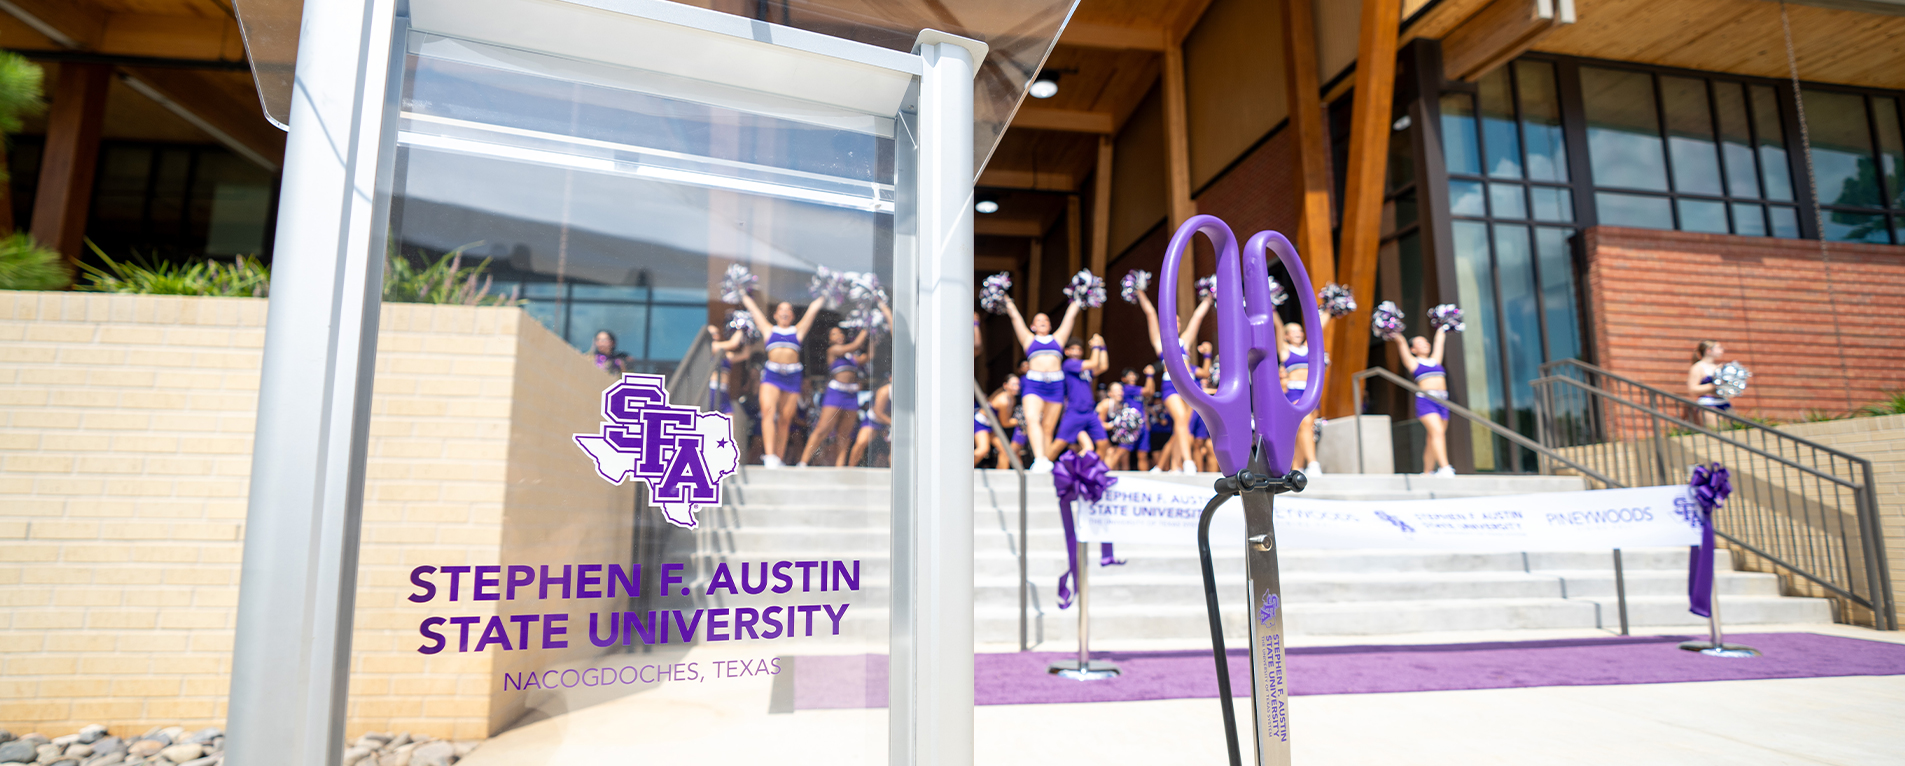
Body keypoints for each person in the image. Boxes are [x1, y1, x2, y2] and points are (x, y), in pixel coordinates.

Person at [738, 289, 826, 467]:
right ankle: (770, 456)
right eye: (781, 310)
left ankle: (778, 458)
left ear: (792, 316)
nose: (785, 312)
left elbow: (812, 310)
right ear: (776, 315)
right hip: (772, 375)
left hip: (792, 376)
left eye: (788, 310)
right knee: (768, 413)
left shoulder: (797, 330)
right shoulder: (768, 329)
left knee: (785, 419)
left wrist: (826, 291)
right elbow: (754, 310)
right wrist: (742, 292)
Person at [1134, 288, 1214, 474]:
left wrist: (1210, 296)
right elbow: (1150, 313)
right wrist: (1139, 292)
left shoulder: (1184, 341)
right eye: (1173, 321)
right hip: (1171, 385)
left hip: (1190, 385)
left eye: (1178, 321)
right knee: (1180, 419)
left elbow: (1197, 317)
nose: (1176, 324)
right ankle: (1188, 462)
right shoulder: (1160, 343)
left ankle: (1173, 466)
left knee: (1182, 426)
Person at [1001, 297, 1084, 472]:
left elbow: (1070, 317)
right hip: (1034, 384)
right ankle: (1039, 459)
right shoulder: (1028, 339)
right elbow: (1015, 316)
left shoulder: (1058, 339)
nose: (1043, 322)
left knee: (1048, 427)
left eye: (1045, 320)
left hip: (1055, 385)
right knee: (1032, 419)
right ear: (1033, 326)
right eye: (1038, 320)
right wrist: (1006, 300)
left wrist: (1080, 296)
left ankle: (1045, 461)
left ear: (1050, 325)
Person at [795, 324, 870, 467]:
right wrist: (868, 327)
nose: (839, 336)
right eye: (834, 334)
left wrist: (874, 336)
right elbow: (855, 345)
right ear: (829, 340)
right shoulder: (833, 351)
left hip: (851, 395)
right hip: (836, 394)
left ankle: (840, 466)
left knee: (845, 434)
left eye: (840, 333)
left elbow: (868, 356)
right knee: (823, 429)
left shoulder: (852, 357)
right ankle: (803, 463)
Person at [1389, 328, 1453, 477]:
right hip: (1426, 401)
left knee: (1433, 437)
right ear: (1413, 349)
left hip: (1442, 401)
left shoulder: (1435, 360)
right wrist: (1393, 330)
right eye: (1419, 343)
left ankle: (1427, 472)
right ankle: (1445, 468)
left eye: (1425, 342)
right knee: (1437, 433)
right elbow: (1401, 342)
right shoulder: (1413, 363)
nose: (1424, 344)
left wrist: (1443, 327)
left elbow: (1439, 341)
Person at [1276, 305, 1331, 475]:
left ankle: (1297, 467)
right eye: (1293, 331)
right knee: (1305, 423)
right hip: (1294, 391)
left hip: (1311, 391)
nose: (1298, 333)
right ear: (1286, 336)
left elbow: (1318, 328)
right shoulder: (1285, 350)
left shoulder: (1308, 347)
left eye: (1300, 330)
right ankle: (1313, 464)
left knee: (1305, 428)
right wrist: (1272, 310)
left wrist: (1329, 310)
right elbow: (1278, 327)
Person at [1047, 336, 1110, 461]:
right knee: (1059, 444)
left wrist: (1102, 347)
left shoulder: (1085, 370)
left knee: (1103, 443)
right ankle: (1042, 465)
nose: (1076, 352)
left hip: (1090, 413)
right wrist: (1096, 346)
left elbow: (1103, 367)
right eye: (1073, 349)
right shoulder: (1068, 364)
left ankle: (1094, 469)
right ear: (1067, 351)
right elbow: (1093, 363)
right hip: (1074, 412)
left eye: (1079, 349)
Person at [706, 323, 752, 414]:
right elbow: (733, 344)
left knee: (729, 420)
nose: (715, 336)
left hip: (724, 392)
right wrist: (742, 326)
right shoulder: (710, 347)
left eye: (716, 333)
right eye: (712, 334)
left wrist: (749, 336)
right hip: (712, 390)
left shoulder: (725, 355)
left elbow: (745, 355)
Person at [1687, 340, 1732, 429]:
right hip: (1708, 403)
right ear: (1708, 350)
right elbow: (1692, 389)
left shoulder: (1717, 367)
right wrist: (1713, 386)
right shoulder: (1698, 367)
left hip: (1723, 402)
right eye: (1718, 348)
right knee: (1715, 431)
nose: (1721, 350)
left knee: (1730, 430)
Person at [981, 375, 1022, 469]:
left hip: (992, 426)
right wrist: (1021, 421)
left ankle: (1001, 475)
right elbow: (1005, 423)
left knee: (1005, 451)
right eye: (1013, 384)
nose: (1016, 387)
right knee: (982, 449)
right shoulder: (1003, 401)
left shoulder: (1012, 398)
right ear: (1005, 385)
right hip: (981, 424)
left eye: (1018, 384)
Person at [848, 380, 892, 467]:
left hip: (890, 423)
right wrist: (892, 422)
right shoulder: (885, 391)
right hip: (875, 421)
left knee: (895, 450)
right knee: (861, 443)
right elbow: (878, 412)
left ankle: (894, 472)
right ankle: (851, 469)